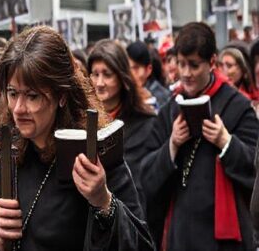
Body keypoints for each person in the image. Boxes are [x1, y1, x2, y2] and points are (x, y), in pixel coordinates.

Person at [0, 26, 154, 251]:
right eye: (13, 93)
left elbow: (142, 244)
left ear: (61, 96)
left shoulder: (96, 155)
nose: (18, 108)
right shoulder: (10, 158)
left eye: (32, 96)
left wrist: (104, 201)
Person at [141, 22, 258, 250]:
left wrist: (226, 142)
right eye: (181, 64)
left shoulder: (238, 105)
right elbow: (145, 175)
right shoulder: (170, 109)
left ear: (212, 62)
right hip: (180, 231)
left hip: (224, 239)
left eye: (194, 65)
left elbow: (256, 169)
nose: (185, 73)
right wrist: (172, 145)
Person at [88, 39, 157, 207]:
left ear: (121, 77)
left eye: (107, 74)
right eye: (95, 74)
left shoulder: (146, 124)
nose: (100, 83)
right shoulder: (80, 122)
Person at [127, 41, 171, 108]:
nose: (131, 73)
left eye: (136, 68)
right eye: (127, 68)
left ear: (148, 70)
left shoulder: (162, 97)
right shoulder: (125, 93)